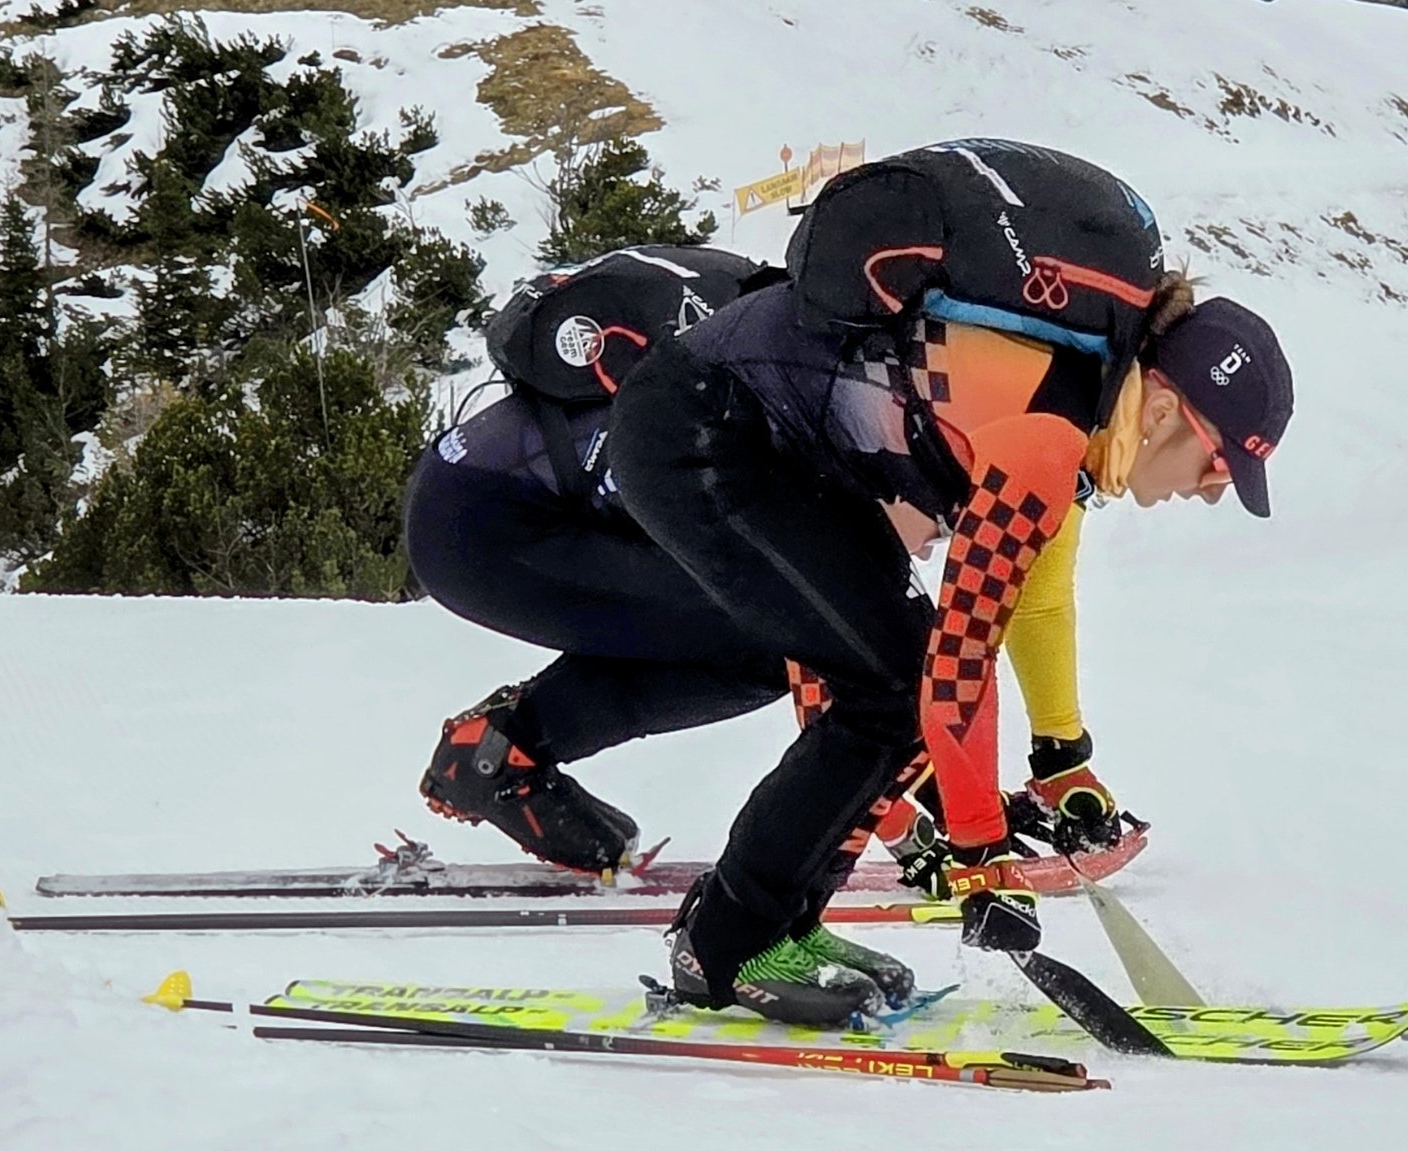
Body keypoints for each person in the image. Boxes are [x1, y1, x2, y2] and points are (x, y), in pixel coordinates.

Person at [602, 139, 1296, 1025]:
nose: (1208, 492)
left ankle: (775, 926)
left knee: (884, 682)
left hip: (745, 433)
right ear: (1161, 408)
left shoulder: (1068, 396)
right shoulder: (1048, 424)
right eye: (1215, 465)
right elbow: (962, 658)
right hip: (699, 428)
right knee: (892, 681)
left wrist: (948, 820)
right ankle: (728, 946)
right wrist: (981, 851)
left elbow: (914, 655)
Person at [404, 244, 1123, 888]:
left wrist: (1054, 754)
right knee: (768, 633)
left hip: (496, 499)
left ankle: (506, 747)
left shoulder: (960, 396)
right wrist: (906, 822)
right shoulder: (857, 411)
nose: (944, 534)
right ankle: (504, 750)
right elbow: (830, 655)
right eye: (947, 517)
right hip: (488, 524)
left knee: (765, 642)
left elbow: (1034, 597)